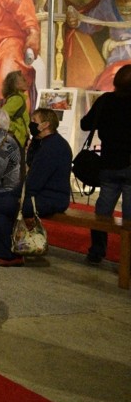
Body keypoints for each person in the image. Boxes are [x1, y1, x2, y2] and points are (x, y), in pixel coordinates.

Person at [81, 64, 131, 264]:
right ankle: (127, 259)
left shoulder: (105, 101)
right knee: (129, 216)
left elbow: (85, 124)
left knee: (103, 212)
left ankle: (96, 252)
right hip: (129, 164)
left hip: (109, 163)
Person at [65, 0, 131, 91]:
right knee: (108, 88)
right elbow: (89, 24)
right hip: (119, 60)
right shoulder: (107, 2)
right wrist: (76, 22)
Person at [0, 108, 24, 267]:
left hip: (8, 192)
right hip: (2, 189)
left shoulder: (6, 142)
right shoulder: (0, 138)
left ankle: (8, 254)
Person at [21, 108, 71, 225]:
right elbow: (31, 163)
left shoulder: (52, 147)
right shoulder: (47, 142)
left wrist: (27, 202)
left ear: (45, 125)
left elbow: (36, 178)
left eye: (34, 120)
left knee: (5, 206)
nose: (31, 123)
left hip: (50, 198)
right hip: (49, 195)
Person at [0, 69, 30, 149]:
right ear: (15, 84)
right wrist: (14, 129)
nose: (26, 81)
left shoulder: (16, 98)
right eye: (23, 80)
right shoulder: (17, 99)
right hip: (16, 139)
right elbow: (1, 116)